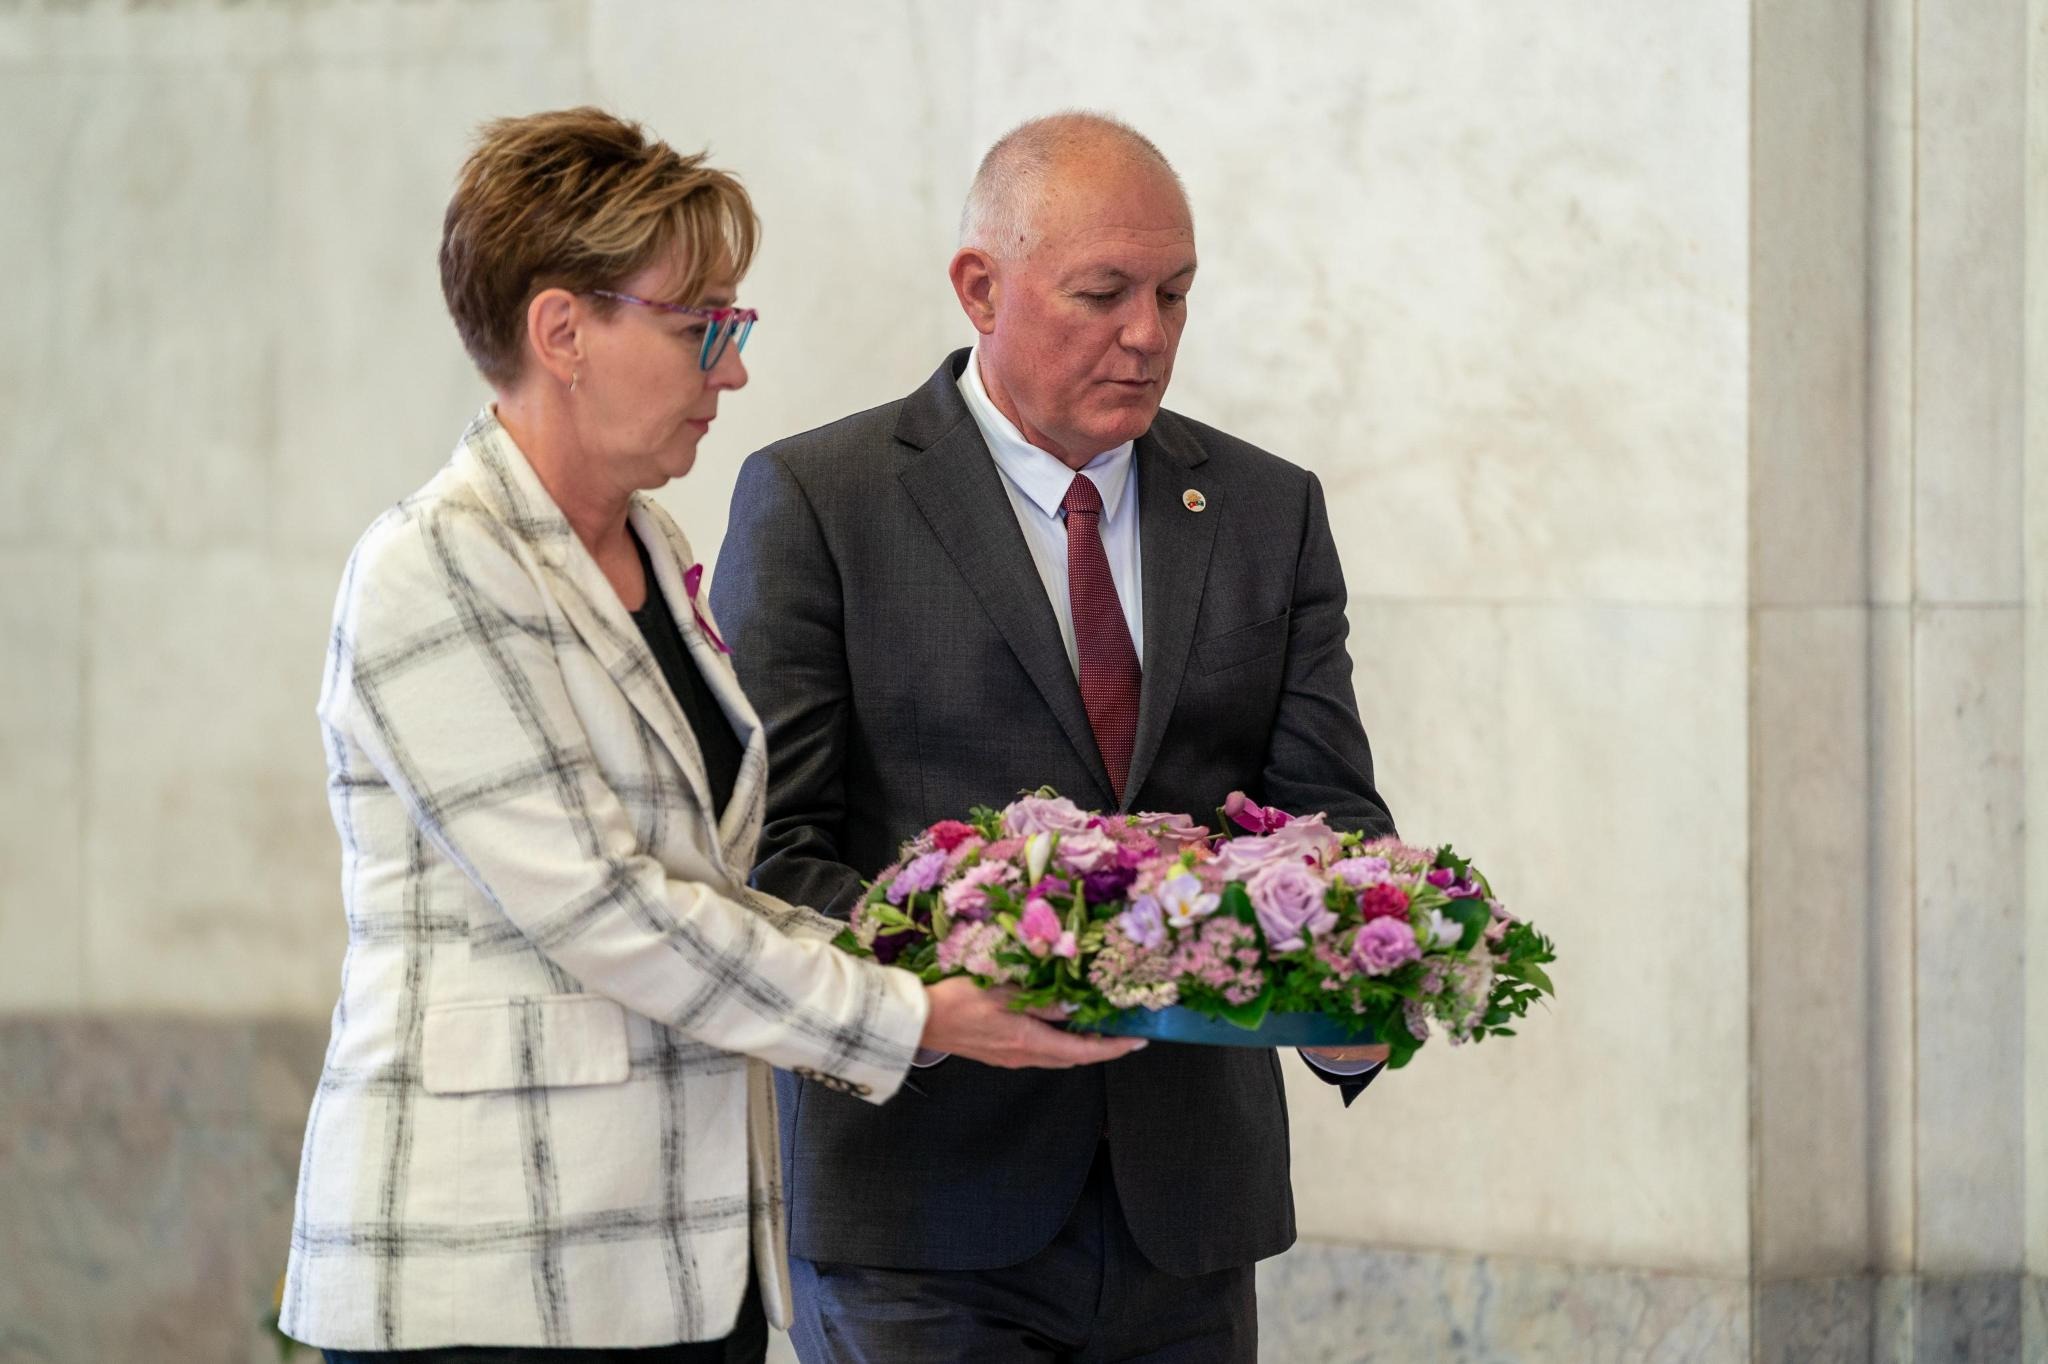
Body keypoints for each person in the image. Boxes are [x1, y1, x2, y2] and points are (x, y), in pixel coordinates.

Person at [280, 107, 1140, 1364]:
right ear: (562, 331)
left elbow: (711, 882)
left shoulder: (654, 546)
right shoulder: (433, 564)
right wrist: (910, 1010)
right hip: (487, 1266)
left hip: (681, 1257)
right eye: (703, 330)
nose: (731, 373)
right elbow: (605, 907)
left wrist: (953, 953)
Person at [711, 112, 1398, 1363]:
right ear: (980, 287)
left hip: (1187, 1215)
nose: (1148, 333)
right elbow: (769, 851)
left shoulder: (1265, 508)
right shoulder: (821, 499)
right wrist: (970, 987)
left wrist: (1356, 982)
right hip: (918, 1208)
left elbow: (1327, 818)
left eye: (1173, 293)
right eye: (1103, 292)